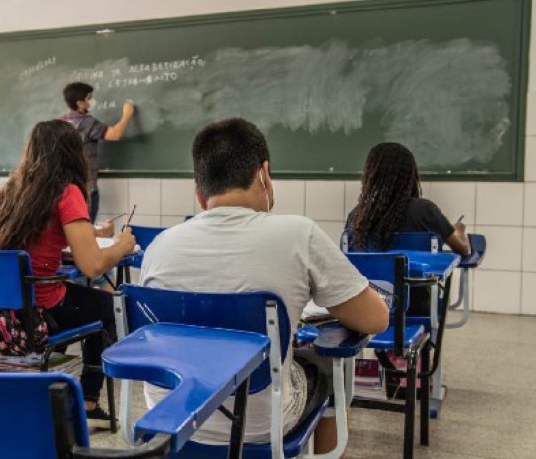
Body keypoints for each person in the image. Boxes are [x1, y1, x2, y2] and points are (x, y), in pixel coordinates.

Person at [139, 118, 388, 452]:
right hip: (259, 424)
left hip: (167, 417)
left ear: (199, 193)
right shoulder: (300, 234)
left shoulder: (160, 246)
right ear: (264, 175)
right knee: (328, 365)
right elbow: (375, 319)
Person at [0, 119, 136, 429]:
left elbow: (27, 247)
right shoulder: (67, 191)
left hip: (3, 306)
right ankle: (87, 399)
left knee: (82, 298)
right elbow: (93, 266)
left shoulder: (11, 191)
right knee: (110, 306)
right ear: (75, 152)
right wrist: (123, 246)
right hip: (41, 307)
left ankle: (42, 368)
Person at [347, 141, 470, 315]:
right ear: (410, 175)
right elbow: (463, 248)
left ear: (371, 175)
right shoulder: (425, 211)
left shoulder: (357, 217)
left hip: (368, 308)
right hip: (417, 308)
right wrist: (460, 230)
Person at [59, 81, 135, 220]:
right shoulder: (87, 122)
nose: (92, 101)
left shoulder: (60, 122)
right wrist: (127, 115)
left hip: (63, 189)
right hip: (86, 189)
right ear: (80, 103)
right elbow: (115, 134)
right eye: (89, 98)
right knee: (86, 230)